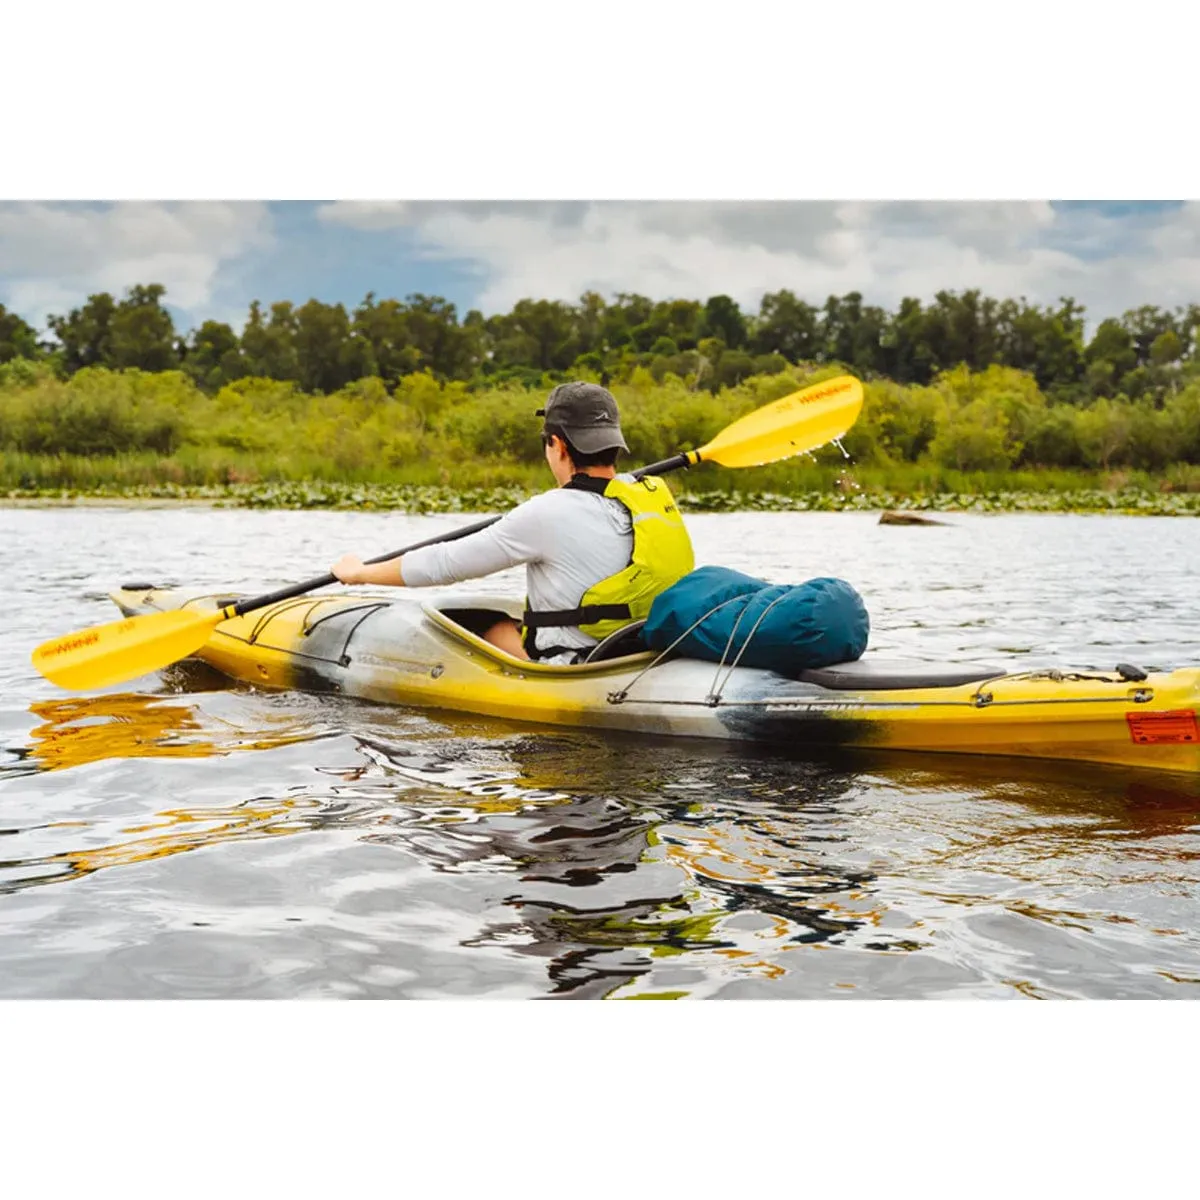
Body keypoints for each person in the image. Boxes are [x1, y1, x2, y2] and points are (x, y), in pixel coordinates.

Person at [330, 382, 695, 664]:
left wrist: (360, 572)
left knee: (485, 624)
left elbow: (444, 564)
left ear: (557, 445)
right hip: (637, 650)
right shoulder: (648, 495)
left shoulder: (547, 512)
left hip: (575, 668)